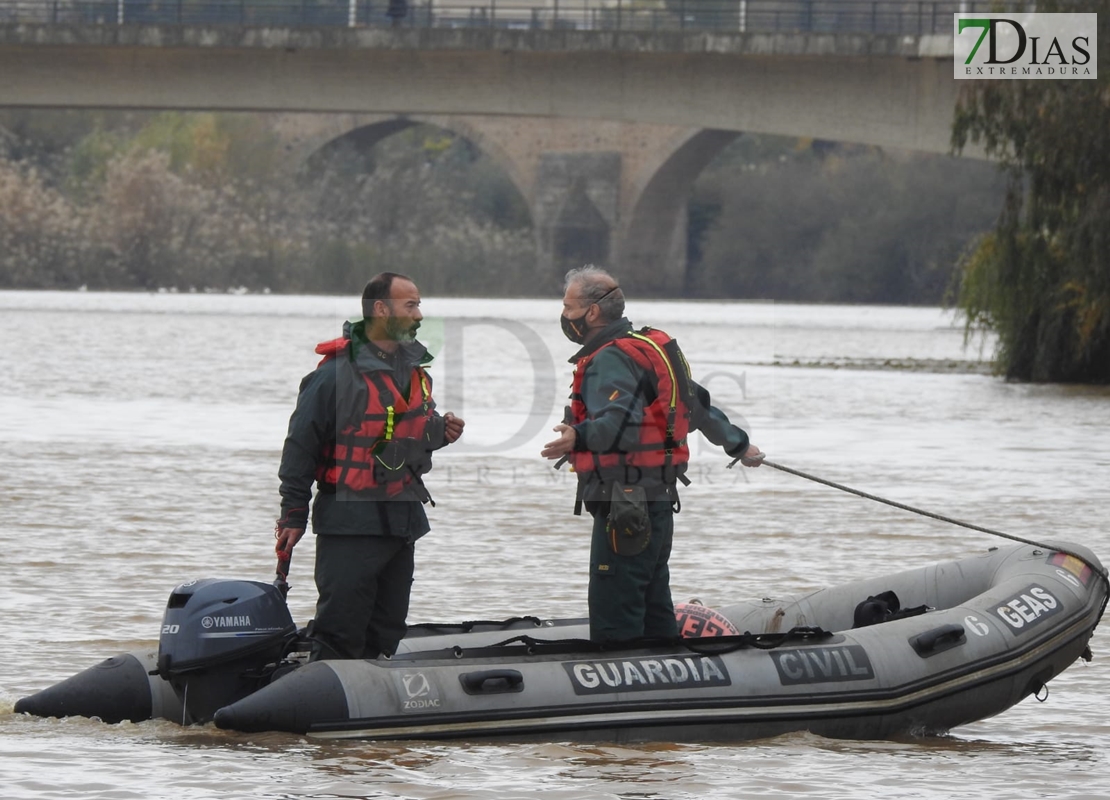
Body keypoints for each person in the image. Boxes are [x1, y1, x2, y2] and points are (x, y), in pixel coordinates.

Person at [541, 265, 762, 644]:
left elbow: (616, 422)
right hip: (659, 501)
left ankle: (621, 690)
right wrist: (740, 446)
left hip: (625, 503)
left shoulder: (610, 358)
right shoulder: (652, 347)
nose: (565, 316)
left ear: (591, 312)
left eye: (568, 307)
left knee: (616, 609)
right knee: (654, 602)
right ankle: (668, 675)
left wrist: (577, 435)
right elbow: (698, 406)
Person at [275, 272, 464, 661]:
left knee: (387, 629)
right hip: (349, 521)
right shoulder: (332, 375)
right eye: (411, 305)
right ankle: (320, 698)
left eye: (419, 305)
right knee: (342, 626)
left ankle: (374, 703)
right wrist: (293, 515)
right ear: (381, 309)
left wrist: (440, 433)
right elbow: (300, 447)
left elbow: (401, 437)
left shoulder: (414, 372)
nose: (419, 315)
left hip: (402, 520)